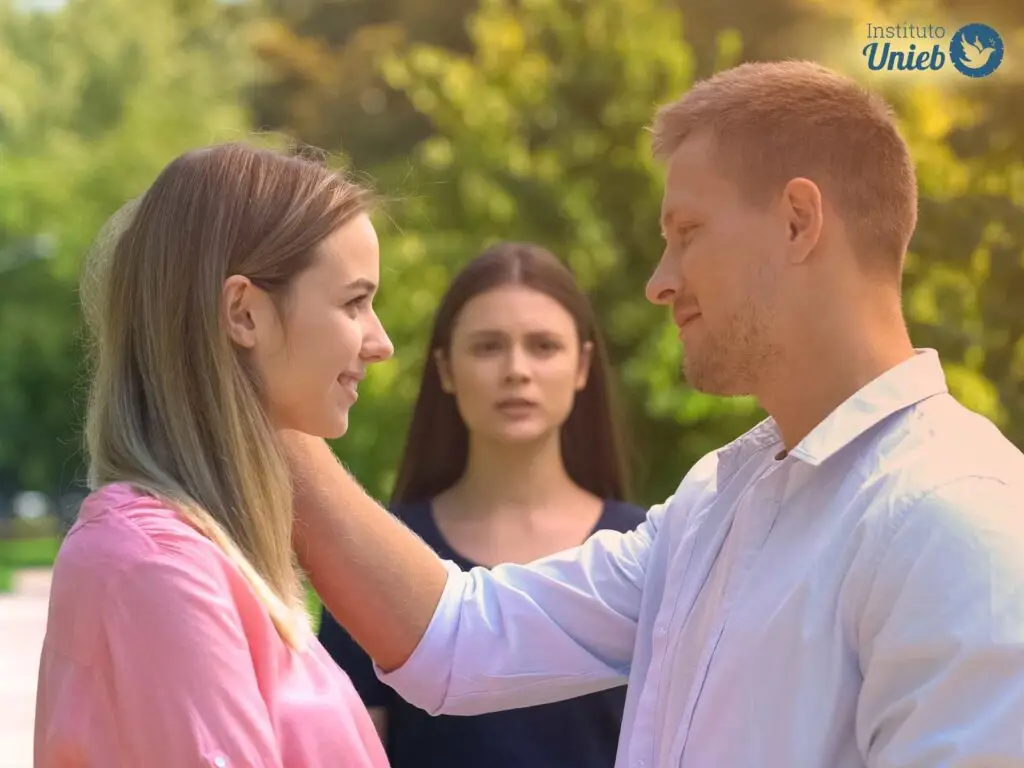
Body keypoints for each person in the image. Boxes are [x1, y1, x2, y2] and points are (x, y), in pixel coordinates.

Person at [285, 59, 1024, 767]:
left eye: (688, 233)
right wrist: (260, 402)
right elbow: (460, 640)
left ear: (798, 221)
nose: (659, 282)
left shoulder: (953, 516)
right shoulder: (717, 503)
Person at [34, 142, 395, 767]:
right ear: (242, 312)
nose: (380, 342)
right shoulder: (158, 565)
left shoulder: (199, 553)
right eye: (353, 302)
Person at [318, 241, 647, 768]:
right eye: (488, 347)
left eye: (543, 346)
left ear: (583, 365)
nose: (516, 370)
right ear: (445, 368)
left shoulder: (649, 550)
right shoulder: (373, 553)